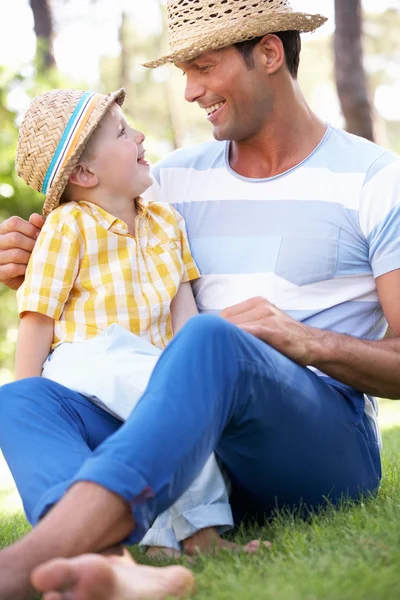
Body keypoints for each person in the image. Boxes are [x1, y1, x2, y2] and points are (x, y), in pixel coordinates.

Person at [0, 0, 400, 598]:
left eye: (204, 67)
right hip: (191, 441)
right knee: (23, 399)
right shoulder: (170, 182)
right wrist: (23, 253)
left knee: (211, 337)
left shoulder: (376, 180)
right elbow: (95, 245)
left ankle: (28, 564)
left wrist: (304, 340)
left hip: (316, 447)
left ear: (268, 52)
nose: (189, 92)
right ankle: (104, 558)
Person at [13, 87, 235, 558]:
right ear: (85, 173)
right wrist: (30, 399)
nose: (138, 134)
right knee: (161, 393)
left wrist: (193, 368)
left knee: (180, 398)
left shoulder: (165, 222)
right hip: (86, 359)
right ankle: (201, 529)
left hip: (146, 363)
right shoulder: (67, 226)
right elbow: (38, 316)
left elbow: (184, 313)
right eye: (121, 131)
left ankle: (162, 541)